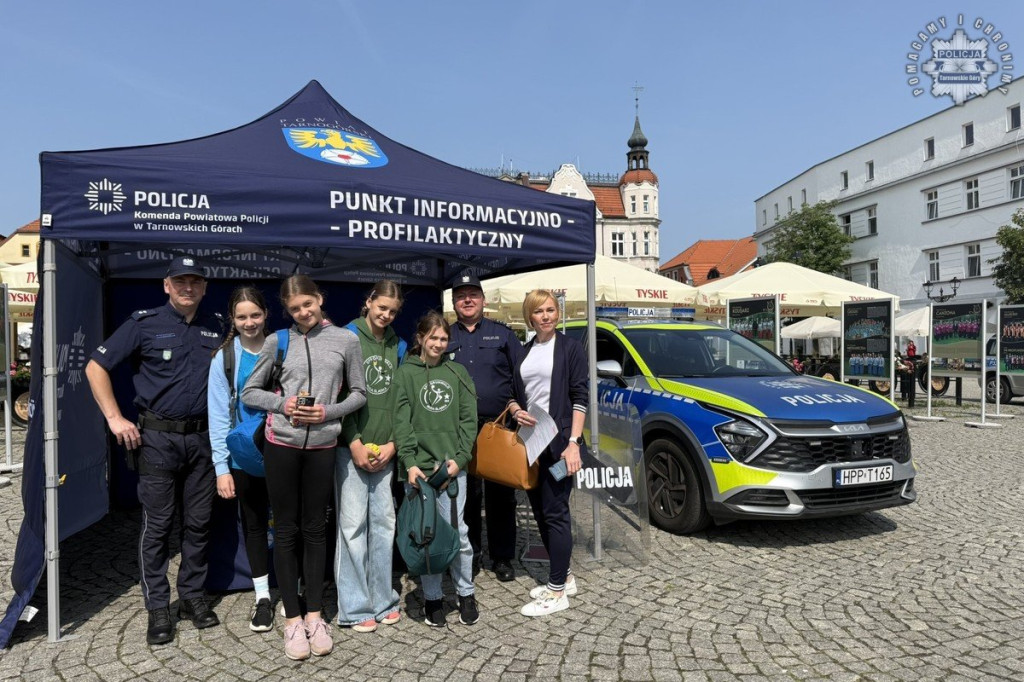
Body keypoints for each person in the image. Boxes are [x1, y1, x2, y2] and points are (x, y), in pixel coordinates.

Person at [84, 256, 223, 646]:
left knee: (198, 524)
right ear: (166, 285)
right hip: (157, 441)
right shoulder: (144, 323)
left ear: (205, 287)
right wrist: (115, 418)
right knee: (158, 526)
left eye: (195, 281)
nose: (188, 288)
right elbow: (96, 367)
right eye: (180, 281)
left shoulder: (216, 327)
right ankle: (158, 606)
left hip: (202, 440)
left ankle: (193, 597)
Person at [242, 275, 366, 661]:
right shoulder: (276, 341)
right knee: (286, 530)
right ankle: (292, 619)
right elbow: (250, 392)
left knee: (316, 530)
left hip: (323, 446)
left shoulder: (346, 340)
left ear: (320, 299)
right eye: (295, 308)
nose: (303, 313)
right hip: (282, 446)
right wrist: (285, 405)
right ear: (287, 310)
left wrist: (327, 411)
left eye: (307, 304)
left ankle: (315, 615)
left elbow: (360, 394)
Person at [393, 311, 479, 627]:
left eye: (444, 339)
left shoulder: (458, 373)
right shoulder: (405, 375)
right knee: (426, 536)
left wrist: (459, 459)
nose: (439, 344)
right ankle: (432, 599)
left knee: (459, 534)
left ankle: (466, 593)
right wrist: (410, 464)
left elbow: (469, 421)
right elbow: (400, 422)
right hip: (419, 473)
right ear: (421, 338)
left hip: (452, 469)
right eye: (433, 338)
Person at [509, 289, 588, 618]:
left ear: (558, 313)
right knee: (541, 511)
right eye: (539, 311)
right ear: (530, 317)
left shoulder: (570, 348)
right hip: (533, 441)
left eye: (551, 309)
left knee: (556, 513)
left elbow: (580, 395)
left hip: (559, 446)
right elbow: (515, 394)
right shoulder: (524, 352)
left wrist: (575, 442)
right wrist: (515, 410)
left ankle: (557, 592)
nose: (546, 315)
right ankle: (565, 577)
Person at [334, 280, 407, 633]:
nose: (386, 315)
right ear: (369, 302)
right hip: (352, 450)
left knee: (383, 525)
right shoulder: (346, 337)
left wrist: (394, 444)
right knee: (352, 526)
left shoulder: (399, 344)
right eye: (382, 308)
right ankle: (353, 606)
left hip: (386, 451)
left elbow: (401, 401)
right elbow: (339, 393)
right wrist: (355, 441)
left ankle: (383, 599)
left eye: (393, 311)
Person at [447, 273, 523, 582]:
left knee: (501, 496)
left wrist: (520, 412)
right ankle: (471, 555)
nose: (467, 299)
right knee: (465, 497)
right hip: (457, 429)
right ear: (454, 302)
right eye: (461, 295)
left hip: (497, 427)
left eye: (473, 295)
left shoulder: (503, 335)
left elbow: (521, 378)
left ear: (483, 299)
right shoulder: (444, 335)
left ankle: (502, 557)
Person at [206, 286, 275, 633]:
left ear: (266, 314)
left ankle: (294, 592)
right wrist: (222, 469)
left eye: (255, 315)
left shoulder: (282, 347)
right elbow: (218, 416)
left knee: (291, 525)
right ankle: (263, 597)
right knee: (254, 526)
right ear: (233, 320)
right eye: (242, 317)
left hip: (283, 451)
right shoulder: (225, 358)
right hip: (244, 456)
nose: (249, 322)